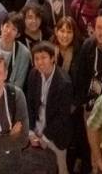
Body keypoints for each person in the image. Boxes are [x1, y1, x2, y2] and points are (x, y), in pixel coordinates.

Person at [26, 41, 73, 174]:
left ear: (53, 58)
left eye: (44, 58)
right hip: (36, 129)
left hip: (55, 135)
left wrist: (44, 137)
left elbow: (62, 116)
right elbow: (29, 105)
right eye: (36, 59)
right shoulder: (33, 75)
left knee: (61, 169)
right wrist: (30, 131)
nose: (40, 62)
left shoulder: (64, 83)